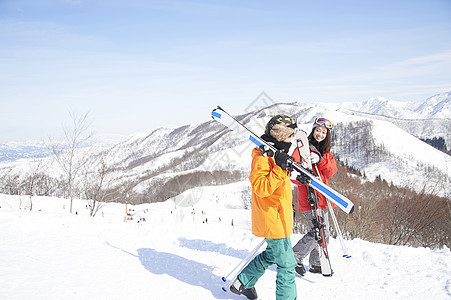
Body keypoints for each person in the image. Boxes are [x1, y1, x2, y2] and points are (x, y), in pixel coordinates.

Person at [230, 115, 298, 300]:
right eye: (291, 135)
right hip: (272, 218)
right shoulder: (262, 156)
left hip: (280, 217)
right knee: (287, 265)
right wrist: (280, 168)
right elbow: (261, 188)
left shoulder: (278, 154)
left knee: (271, 255)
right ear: (281, 135)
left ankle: (243, 282)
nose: (293, 139)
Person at [291, 117, 337, 276]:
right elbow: (291, 171)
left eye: (324, 132)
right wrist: (300, 177)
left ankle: (316, 263)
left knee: (325, 233)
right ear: (313, 131)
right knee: (318, 231)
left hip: (323, 198)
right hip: (309, 199)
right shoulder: (303, 148)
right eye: (318, 130)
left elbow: (331, 172)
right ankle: (295, 257)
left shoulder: (326, 153)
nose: (320, 134)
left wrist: (321, 160)